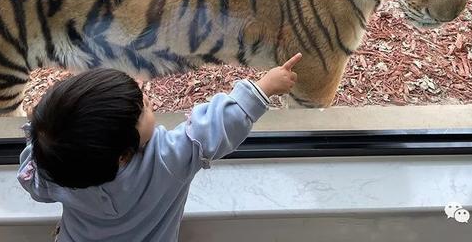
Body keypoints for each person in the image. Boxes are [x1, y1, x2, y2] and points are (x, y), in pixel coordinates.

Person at [17, 53, 302, 242]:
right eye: (142, 110)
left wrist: (39, 130)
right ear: (123, 154)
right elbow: (217, 127)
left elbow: (33, 175)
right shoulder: (168, 158)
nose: (148, 102)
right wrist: (263, 88)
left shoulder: (57, 173)